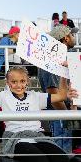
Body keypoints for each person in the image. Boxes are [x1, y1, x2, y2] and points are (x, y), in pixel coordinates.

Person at [0, 66, 77, 162]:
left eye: (22, 81)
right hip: (16, 138)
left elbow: (61, 96)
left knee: (62, 159)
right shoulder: (3, 96)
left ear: (27, 81)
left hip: (38, 136)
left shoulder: (36, 96)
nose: (18, 85)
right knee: (41, 160)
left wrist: (64, 72)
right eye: (14, 82)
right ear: (7, 83)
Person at [38, 25, 79, 153]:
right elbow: (53, 97)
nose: (73, 37)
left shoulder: (55, 59)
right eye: (71, 35)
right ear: (66, 38)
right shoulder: (53, 62)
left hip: (62, 114)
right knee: (63, 153)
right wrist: (68, 116)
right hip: (60, 115)